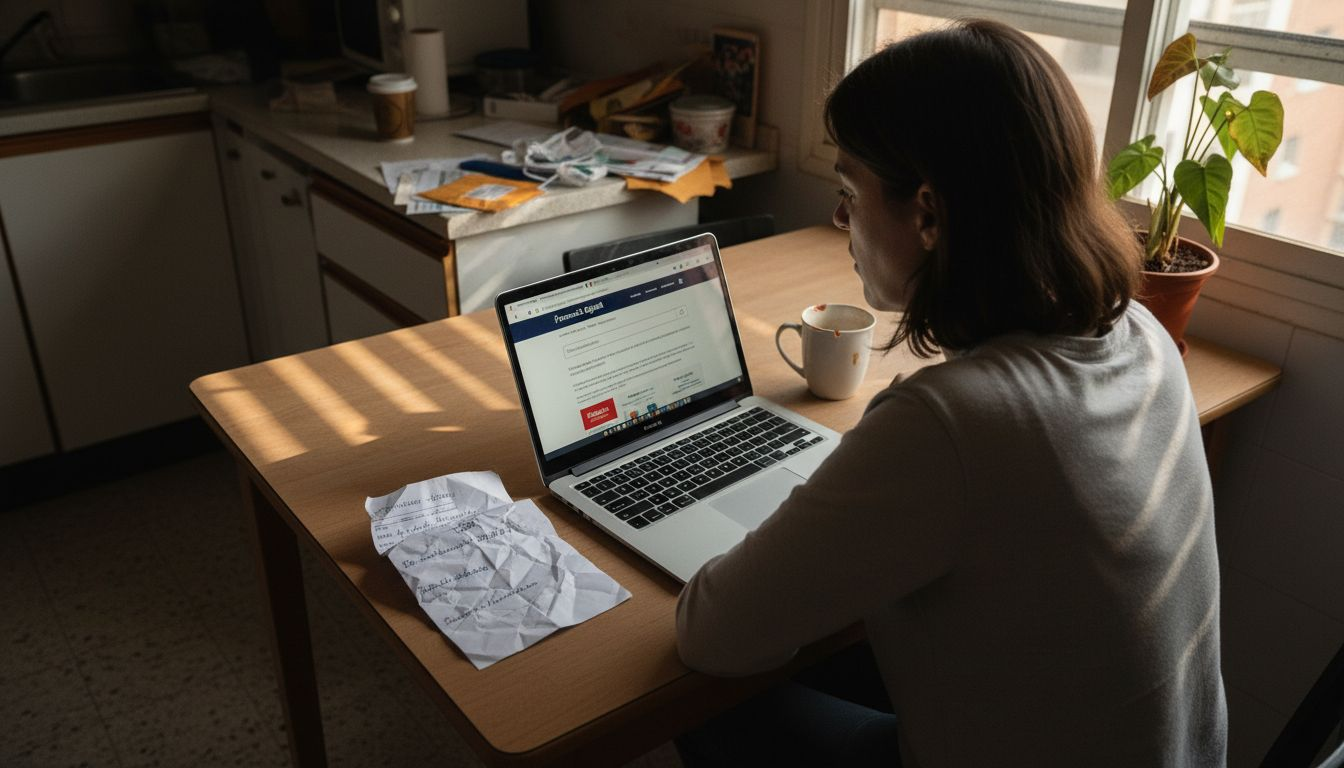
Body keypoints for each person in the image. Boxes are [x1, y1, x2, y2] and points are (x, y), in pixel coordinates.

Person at [674, 18, 1227, 768]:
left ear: (929, 213)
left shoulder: (954, 423)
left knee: (716, 702)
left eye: (848, 190)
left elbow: (711, 632)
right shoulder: (1142, 331)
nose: (839, 217)